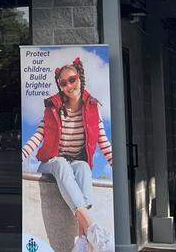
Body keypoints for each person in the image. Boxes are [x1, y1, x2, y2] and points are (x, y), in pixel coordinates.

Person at [23, 57, 114, 252]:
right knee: (60, 163)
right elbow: (38, 136)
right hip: (51, 163)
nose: (68, 86)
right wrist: (21, 156)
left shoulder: (92, 109)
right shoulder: (53, 108)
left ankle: (82, 242)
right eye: (63, 83)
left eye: (71, 80)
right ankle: (93, 229)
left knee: (82, 166)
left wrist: (118, 166)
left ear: (80, 78)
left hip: (75, 163)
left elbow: (103, 142)